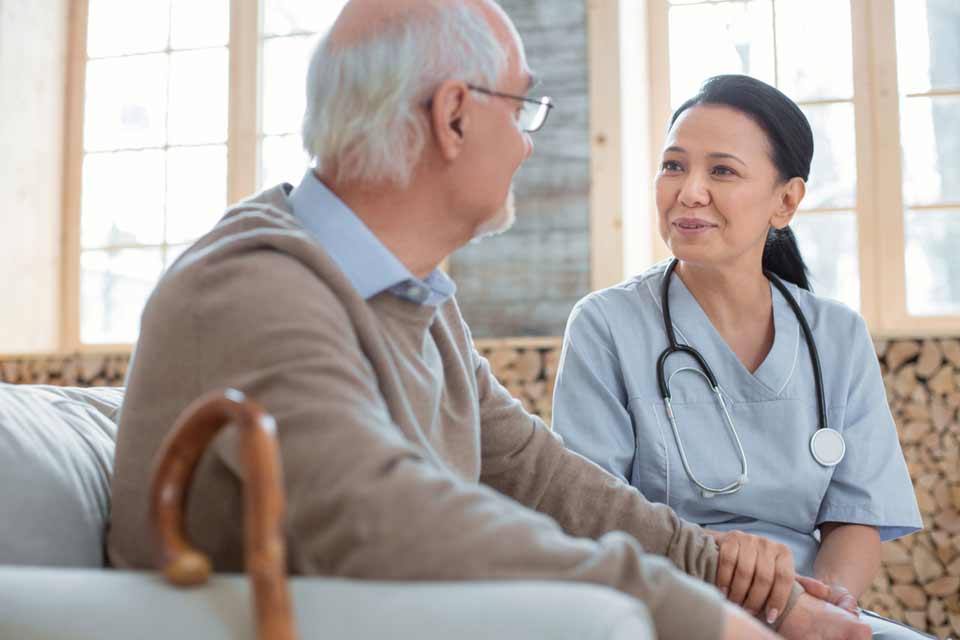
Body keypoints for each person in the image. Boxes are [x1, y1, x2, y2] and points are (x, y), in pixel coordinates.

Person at [108, 2, 867, 637]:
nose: (530, 143)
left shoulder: (416, 300)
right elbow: (385, 519)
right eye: (523, 107)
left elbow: (540, 477)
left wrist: (726, 577)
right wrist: (697, 614)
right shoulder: (252, 288)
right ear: (454, 117)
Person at [552, 74, 927, 639]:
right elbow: (590, 515)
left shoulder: (838, 335)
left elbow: (856, 516)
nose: (689, 191)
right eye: (674, 165)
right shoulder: (606, 325)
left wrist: (826, 611)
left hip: (812, 605)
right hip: (666, 604)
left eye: (721, 171)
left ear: (787, 200)